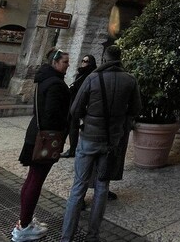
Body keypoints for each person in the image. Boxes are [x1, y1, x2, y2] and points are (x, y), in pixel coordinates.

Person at [60, 45, 141, 242]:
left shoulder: (93, 78)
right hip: (111, 141)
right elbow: (136, 109)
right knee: (102, 187)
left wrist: (85, 120)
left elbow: (75, 109)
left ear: (104, 58)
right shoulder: (130, 80)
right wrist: (121, 125)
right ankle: (93, 235)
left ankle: (66, 237)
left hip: (89, 138)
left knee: (78, 186)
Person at [12, 48, 71, 242]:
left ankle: (24, 220)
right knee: (36, 180)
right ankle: (24, 227)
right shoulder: (55, 84)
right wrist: (61, 134)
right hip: (45, 137)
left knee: (32, 178)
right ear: (55, 62)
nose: (68, 64)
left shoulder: (43, 80)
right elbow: (53, 113)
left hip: (36, 133)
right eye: (65, 61)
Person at [61, 54, 98, 158]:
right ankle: (63, 146)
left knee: (73, 126)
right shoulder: (81, 73)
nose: (83, 62)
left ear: (90, 63)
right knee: (68, 124)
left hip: (81, 104)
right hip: (74, 102)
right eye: (82, 60)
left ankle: (72, 150)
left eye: (86, 61)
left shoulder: (91, 75)